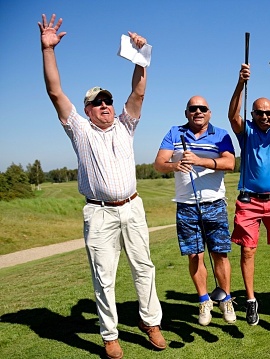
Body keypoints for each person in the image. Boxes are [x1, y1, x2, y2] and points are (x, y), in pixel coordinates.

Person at [39, 14, 165, 359]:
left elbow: (138, 90)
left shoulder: (126, 125)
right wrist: (48, 49)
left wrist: (140, 57)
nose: (106, 106)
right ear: (87, 110)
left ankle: (151, 322)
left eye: (108, 100)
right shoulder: (79, 130)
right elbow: (55, 91)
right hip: (99, 213)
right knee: (104, 276)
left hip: (133, 207)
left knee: (144, 267)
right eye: (98, 102)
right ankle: (110, 335)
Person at [154, 96, 237, 326]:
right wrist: (175, 164)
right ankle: (203, 300)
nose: (198, 112)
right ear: (186, 112)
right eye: (193, 108)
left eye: (202, 108)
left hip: (214, 203)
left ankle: (225, 298)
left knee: (219, 253)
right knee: (194, 254)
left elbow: (230, 164)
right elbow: (159, 163)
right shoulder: (174, 133)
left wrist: (199, 160)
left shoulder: (220, 135)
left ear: (209, 113)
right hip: (187, 204)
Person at [227, 51, 270, 325]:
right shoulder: (247, 133)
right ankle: (251, 300)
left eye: (269, 113)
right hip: (249, 201)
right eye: (260, 113)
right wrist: (240, 83)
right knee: (247, 251)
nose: (265, 117)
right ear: (253, 114)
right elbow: (232, 114)